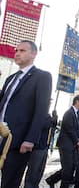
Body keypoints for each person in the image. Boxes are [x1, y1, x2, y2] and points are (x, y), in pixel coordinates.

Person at [0, 40, 52, 188]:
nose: (17, 53)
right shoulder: (10, 79)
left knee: (9, 182)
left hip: (17, 141)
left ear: (33, 54)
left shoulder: (42, 77)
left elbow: (41, 111)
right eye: (16, 50)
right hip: (0, 136)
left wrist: (30, 139)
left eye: (22, 51)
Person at [45, 95, 79, 188]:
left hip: (72, 145)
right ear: (77, 102)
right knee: (68, 169)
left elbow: (77, 129)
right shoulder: (69, 113)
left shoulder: (76, 113)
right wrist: (77, 140)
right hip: (65, 145)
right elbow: (69, 128)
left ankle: (51, 179)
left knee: (71, 166)